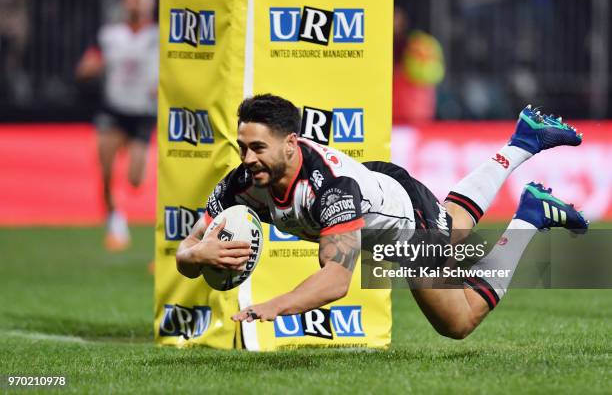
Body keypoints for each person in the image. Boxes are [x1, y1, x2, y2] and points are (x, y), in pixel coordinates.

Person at [175, 94, 587, 339]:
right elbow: (189, 246)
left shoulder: (328, 189)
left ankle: (529, 217)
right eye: (242, 147)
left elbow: (335, 281)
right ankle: (524, 143)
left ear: (290, 144)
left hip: (406, 219)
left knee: (459, 320)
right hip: (375, 187)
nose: (247, 159)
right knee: (456, 224)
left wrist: (275, 306)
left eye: (258, 148)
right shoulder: (242, 182)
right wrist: (194, 255)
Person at [75, 0, 158, 251]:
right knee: (107, 171)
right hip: (113, 110)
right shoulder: (109, 34)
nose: (137, 2)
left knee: (135, 179)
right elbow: (86, 65)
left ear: (151, 2)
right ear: (124, 1)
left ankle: (120, 213)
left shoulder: (160, 34)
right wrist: (89, 68)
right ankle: (115, 221)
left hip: (143, 112)